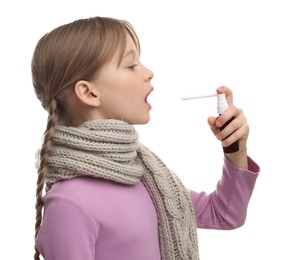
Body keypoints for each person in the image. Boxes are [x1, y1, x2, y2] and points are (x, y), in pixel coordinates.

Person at [31, 16, 260, 260]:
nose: (149, 73)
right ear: (89, 92)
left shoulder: (150, 180)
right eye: (131, 65)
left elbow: (224, 214)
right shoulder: (69, 204)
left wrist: (236, 149)